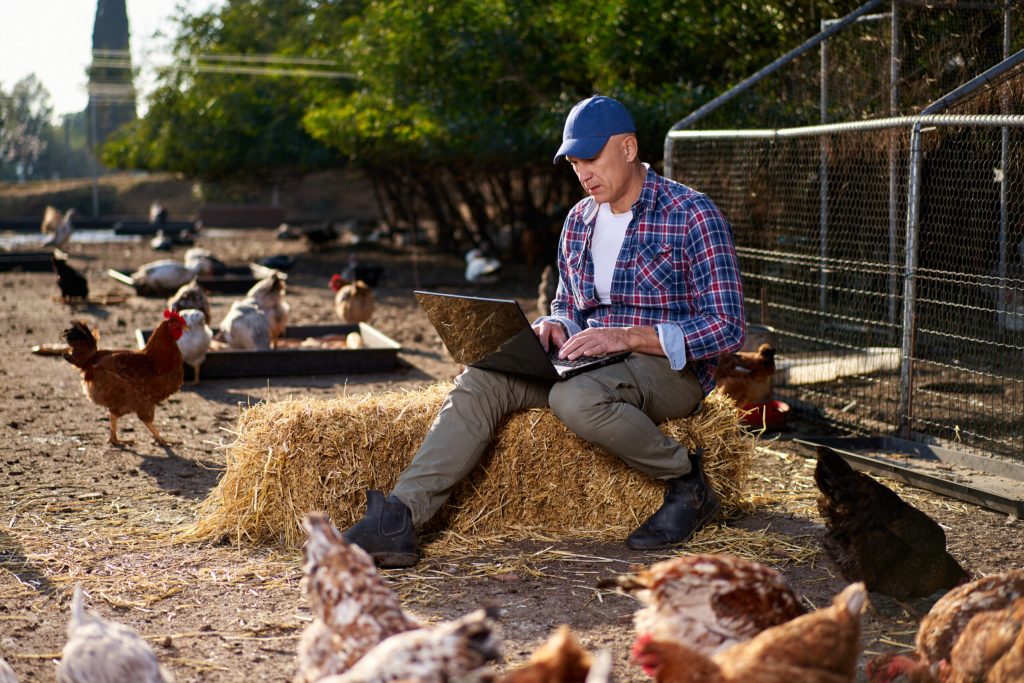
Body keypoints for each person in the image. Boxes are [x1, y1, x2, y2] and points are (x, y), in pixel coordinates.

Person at [344, 95, 745, 568]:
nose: (584, 173)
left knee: (573, 399)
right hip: (591, 361)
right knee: (481, 378)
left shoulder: (692, 213)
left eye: (592, 158)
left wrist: (629, 336)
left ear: (630, 148)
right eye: (575, 163)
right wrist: (554, 325)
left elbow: (727, 327)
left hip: (667, 368)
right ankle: (399, 520)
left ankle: (687, 483)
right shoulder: (579, 220)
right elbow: (568, 303)